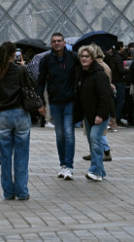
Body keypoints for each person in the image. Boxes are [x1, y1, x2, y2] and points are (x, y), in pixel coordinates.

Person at [0, 41, 37, 200]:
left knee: (5, 157)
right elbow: (31, 85)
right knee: (21, 155)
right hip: (20, 113)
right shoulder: (20, 70)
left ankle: (8, 192)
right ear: (14, 55)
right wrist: (24, 67)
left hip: (3, 115)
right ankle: (22, 191)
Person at [37, 32, 77, 180]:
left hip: (70, 101)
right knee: (60, 135)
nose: (57, 43)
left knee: (68, 132)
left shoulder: (73, 58)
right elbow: (40, 82)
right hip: (55, 102)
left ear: (64, 42)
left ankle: (69, 165)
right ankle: (63, 164)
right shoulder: (46, 60)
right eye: (54, 41)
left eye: (59, 41)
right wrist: (40, 102)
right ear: (51, 43)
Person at [76, 44, 112, 182]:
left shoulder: (99, 74)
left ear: (92, 58)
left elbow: (105, 96)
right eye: (82, 56)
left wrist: (100, 115)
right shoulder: (81, 73)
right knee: (92, 143)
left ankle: (95, 170)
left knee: (95, 140)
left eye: (87, 56)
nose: (84, 59)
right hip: (88, 114)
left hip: (99, 115)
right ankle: (100, 171)